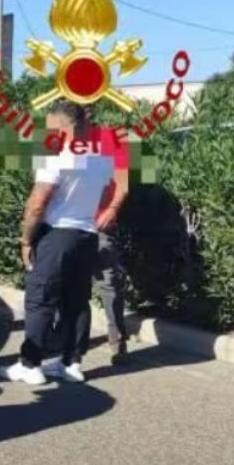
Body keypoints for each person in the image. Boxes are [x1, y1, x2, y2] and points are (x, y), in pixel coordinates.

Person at [1, 100, 115, 385]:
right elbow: (104, 196)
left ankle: (30, 365)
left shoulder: (54, 155)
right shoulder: (101, 159)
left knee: (40, 300)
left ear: (62, 127)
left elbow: (37, 203)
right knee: (77, 301)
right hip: (86, 237)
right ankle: (71, 362)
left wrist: (26, 239)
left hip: (57, 236)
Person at [90, 124, 131, 365]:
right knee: (69, 283)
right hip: (68, 225)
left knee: (109, 283)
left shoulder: (113, 137)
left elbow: (123, 182)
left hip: (100, 223)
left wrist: (112, 209)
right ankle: (69, 340)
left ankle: (117, 339)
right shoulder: (59, 137)